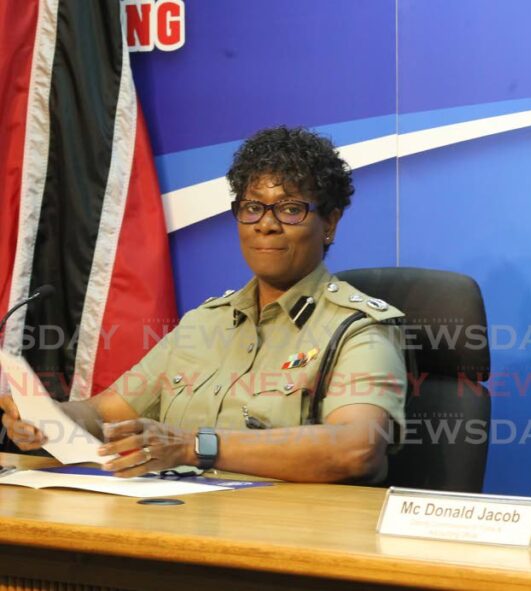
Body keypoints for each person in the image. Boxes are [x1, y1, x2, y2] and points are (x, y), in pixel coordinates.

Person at [1, 126, 407, 483]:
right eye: (252, 208)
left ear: (330, 223)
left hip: (286, 542)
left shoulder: (358, 329)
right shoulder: (203, 324)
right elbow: (104, 412)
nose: (266, 223)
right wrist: (48, 418)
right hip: (177, 530)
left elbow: (356, 448)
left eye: (289, 208)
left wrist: (195, 446)